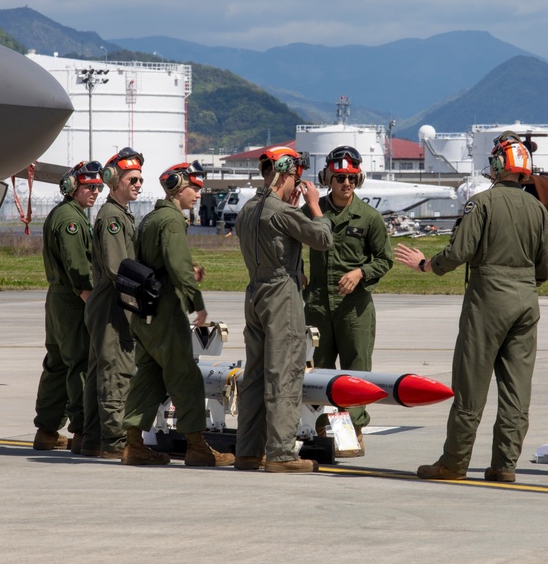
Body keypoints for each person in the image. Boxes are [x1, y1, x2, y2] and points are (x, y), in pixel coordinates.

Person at [394, 131, 548, 482]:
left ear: (499, 165)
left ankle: (454, 461)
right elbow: (547, 267)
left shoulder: (481, 204)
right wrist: (523, 285)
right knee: (516, 390)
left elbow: (458, 252)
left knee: (471, 385)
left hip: (488, 301)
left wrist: (426, 265)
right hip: (526, 303)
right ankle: (504, 465)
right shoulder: (539, 210)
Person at [120, 161, 235, 467]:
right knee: (185, 377)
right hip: (165, 315)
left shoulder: (150, 218)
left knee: (150, 377)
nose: (197, 194)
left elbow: (157, 264)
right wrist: (197, 304)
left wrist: (182, 272)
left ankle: (133, 444)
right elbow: (179, 266)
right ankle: (197, 446)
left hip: (144, 315)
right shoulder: (171, 221)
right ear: (178, 188)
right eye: (193, 188)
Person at [234, 147, 332, 473]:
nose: (297, 184)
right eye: (296, 177)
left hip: (255, 292)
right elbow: (322, 238)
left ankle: (248, 451)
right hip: (281, 295)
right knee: (285, 372)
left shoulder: (248, 209)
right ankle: (281, 453)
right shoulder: (282, 212)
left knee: (255, 374)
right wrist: (315, 206)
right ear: (286, 172)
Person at [303, 146, 393, 457]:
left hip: (354, 306)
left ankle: (353, 431)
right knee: (318, 369)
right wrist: (299, 274)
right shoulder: (313, 212)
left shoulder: (369, 217)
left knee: (356, 372)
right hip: (316, 303)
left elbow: (384, 259)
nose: (346, 184)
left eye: (352, 178)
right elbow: (287, 242)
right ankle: (321, 431)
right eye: (340, 177)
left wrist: (360, 272)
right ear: (328, 177)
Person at [32, 161, 101, 453]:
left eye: (97, 187)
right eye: (88, 186)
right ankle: (82, 431)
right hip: (73, 299)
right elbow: (77, 266)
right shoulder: (70, 220)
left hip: (59, 298)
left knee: (58, 364)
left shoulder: (66, 214)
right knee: (80, 363)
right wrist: (89, 295)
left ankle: (47, 431)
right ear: (73, 187)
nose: (94, 192)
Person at [81, 147, 143, 459]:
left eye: (140, 179)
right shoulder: (112, 219)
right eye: (132, 179)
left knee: (99, 373)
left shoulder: (117, 215)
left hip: (106, 303)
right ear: (113, 180)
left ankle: (92, 439)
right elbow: (120, 270)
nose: (138, 184)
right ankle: (115, 442)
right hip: (112, 304)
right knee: (115, 372)